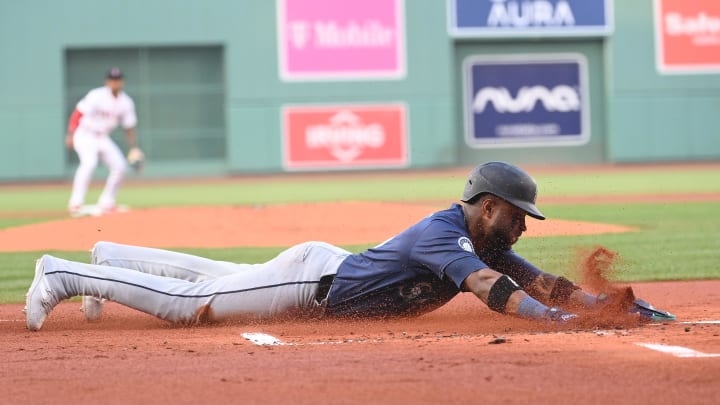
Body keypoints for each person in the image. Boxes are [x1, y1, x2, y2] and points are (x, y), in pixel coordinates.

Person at [24, 162, 669, 331]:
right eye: (519, 214)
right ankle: (64, 273)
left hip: (323, 267)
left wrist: (611, 307)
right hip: (315, 285)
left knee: (221, 276)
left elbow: (539, 282)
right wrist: (559, 323)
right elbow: (489, 292)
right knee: (192, 305)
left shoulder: (483, 240)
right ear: (489, 206)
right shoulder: (448, 234)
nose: (525, 225)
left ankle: (112, 258)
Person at [65, 67, 139, 217]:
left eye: (118, 80)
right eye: (112, 79)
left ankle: (107, 202)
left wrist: (134, 148)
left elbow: (129, 127)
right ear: (107, 81)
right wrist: (71, 134)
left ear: (122, 82)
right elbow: (78, 113)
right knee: (89, 163)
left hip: (103, 137)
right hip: (85, 134)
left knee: (120, 167)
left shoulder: (126, 102)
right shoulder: (96, 95)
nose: (115, 82)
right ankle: (75, 203)